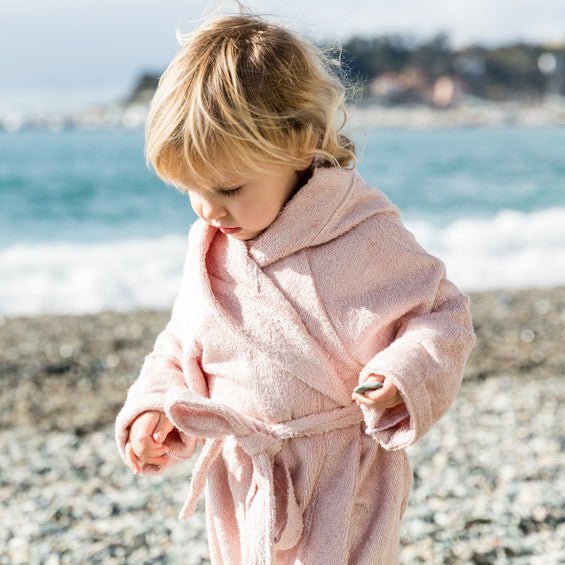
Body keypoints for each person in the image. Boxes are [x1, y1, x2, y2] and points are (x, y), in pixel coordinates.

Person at [115, 9, 475, 564]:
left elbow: (442, 316)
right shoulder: (210, 245)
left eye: (229, 187)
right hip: (245, 478)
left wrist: (401, 375)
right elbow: (183, 344)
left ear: (300, 144)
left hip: (342, 480)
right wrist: (155, 407)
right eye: (191, 189)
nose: (210, 209)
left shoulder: (360, 233)